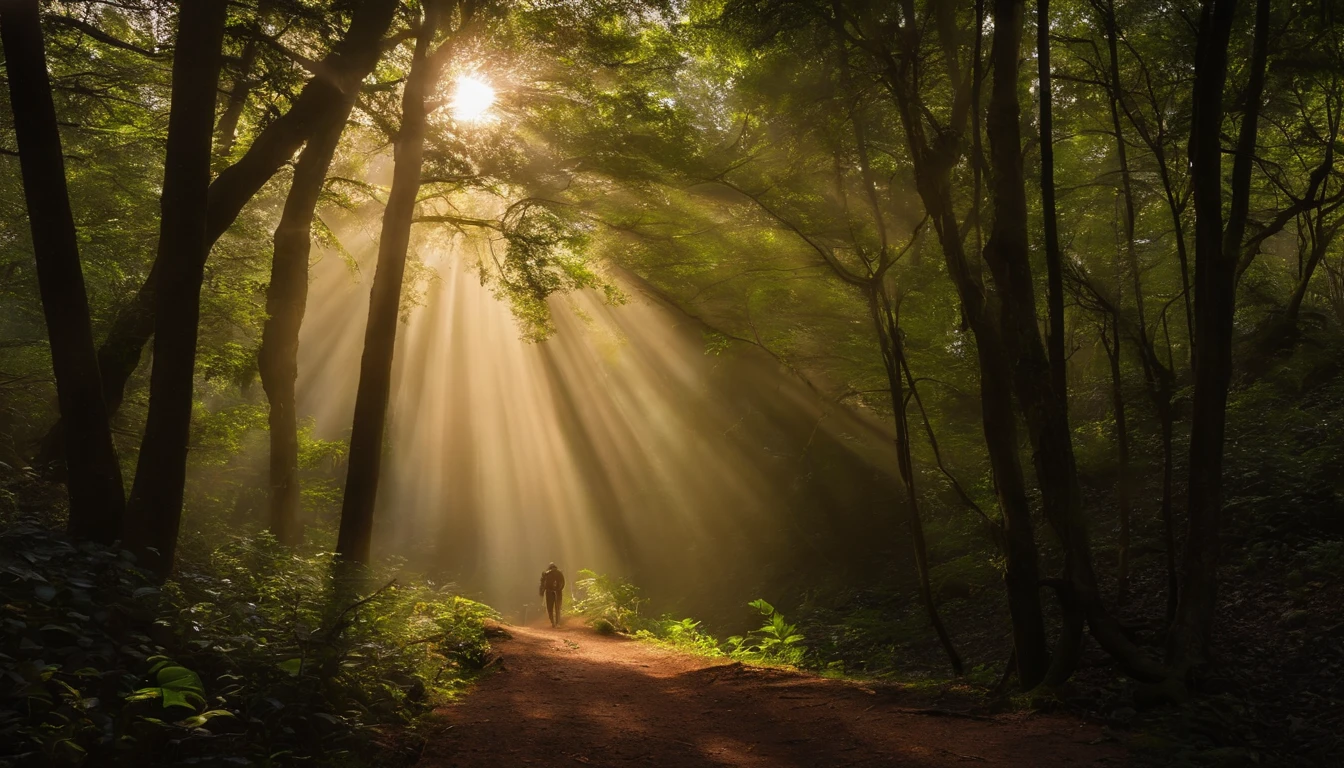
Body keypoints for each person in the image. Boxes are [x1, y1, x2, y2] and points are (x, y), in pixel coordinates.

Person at [538, 562, 565, 628]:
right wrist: (559, 589)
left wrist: (541, 592)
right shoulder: (559, 573)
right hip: (557, 592)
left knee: (550, 608)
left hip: (550, 592)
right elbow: (563, 583)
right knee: (557, 608)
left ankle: (553, 622)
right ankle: (557, 623)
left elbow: (542, 583)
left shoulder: (546, 573)